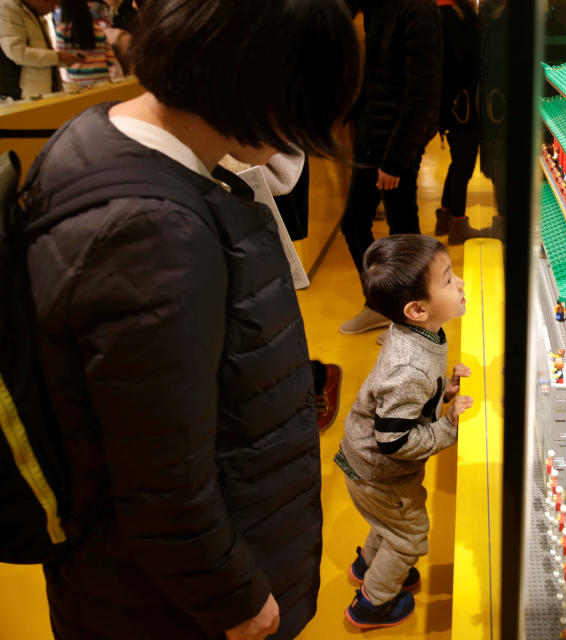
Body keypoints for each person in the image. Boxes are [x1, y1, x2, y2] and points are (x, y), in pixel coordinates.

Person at [23, 1, 361, 638]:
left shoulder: (102, 135)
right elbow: (160, 474)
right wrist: (235, 598)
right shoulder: (151, 230)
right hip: (167, 606)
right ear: (261, 88)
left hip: (152, 578)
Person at [335, 234, 472, 628]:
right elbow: (394, 440)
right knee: (409, 534)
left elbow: (409, 400)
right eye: (447, 280)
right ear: (416, 309)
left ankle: (370, 566)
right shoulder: (408, 368)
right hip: (379, 473)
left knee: (392, 523)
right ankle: (372, 604)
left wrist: (444, 389)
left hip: (368, 466)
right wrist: (448, 427)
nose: (459, 282)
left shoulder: (420, 334)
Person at [339, 0, 442, 336]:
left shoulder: (418, 10)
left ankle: (410, 321)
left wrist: (395, 160)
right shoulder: (377, 7)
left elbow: (422, 95)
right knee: (358, 226)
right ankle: (385, 306)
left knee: (401, 235)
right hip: (371, 139)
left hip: (395, 146)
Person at [433, 0, 485, 245]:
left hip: (453, 104)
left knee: (458, 163)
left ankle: (445, 216)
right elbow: (463, 59)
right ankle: (457, 223)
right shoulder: (449, 16)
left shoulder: (444, 13)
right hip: (461, 105)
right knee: (464, 164)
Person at [0, 0, 80, 100]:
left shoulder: (34, 13)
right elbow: (17, 52)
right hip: (20, 93)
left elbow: (38, 50)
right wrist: (58, 57)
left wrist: (61, 58)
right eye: (53, 3)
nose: (53, 9)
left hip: (41, 89)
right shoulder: (8, 8)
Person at [52, 0, 122, 89]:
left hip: (78, 84)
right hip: (103, 81)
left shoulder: (62, 31)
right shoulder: (98, 30)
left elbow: (62, 60)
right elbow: (110, 58)